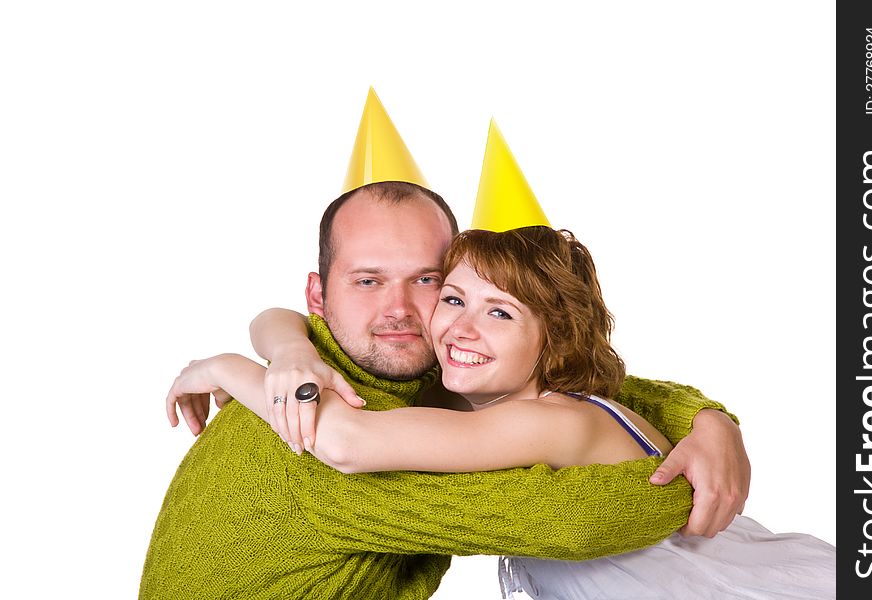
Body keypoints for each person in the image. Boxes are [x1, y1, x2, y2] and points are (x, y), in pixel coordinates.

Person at [188, 123, 834, 598]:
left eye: (500, 312)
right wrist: (284, 347)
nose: (445, 325)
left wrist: (224, 367)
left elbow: (350, 442)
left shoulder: (548, 422)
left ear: (552, 337)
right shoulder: (489, 404)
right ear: (319, 295)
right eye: (455, 299)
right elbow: (288, 324)